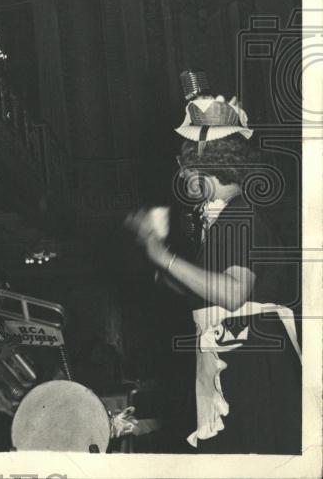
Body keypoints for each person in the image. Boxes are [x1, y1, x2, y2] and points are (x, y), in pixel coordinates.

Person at [125, 94, 301, 453]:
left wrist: (163, 256)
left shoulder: (238, 216)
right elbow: (206, 294)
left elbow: (234, 293)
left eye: (185, 162)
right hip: (239, 354)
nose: (182, 173)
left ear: (202, 162)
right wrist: (162, 264)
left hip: (251, 362)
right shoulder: (226, 218)